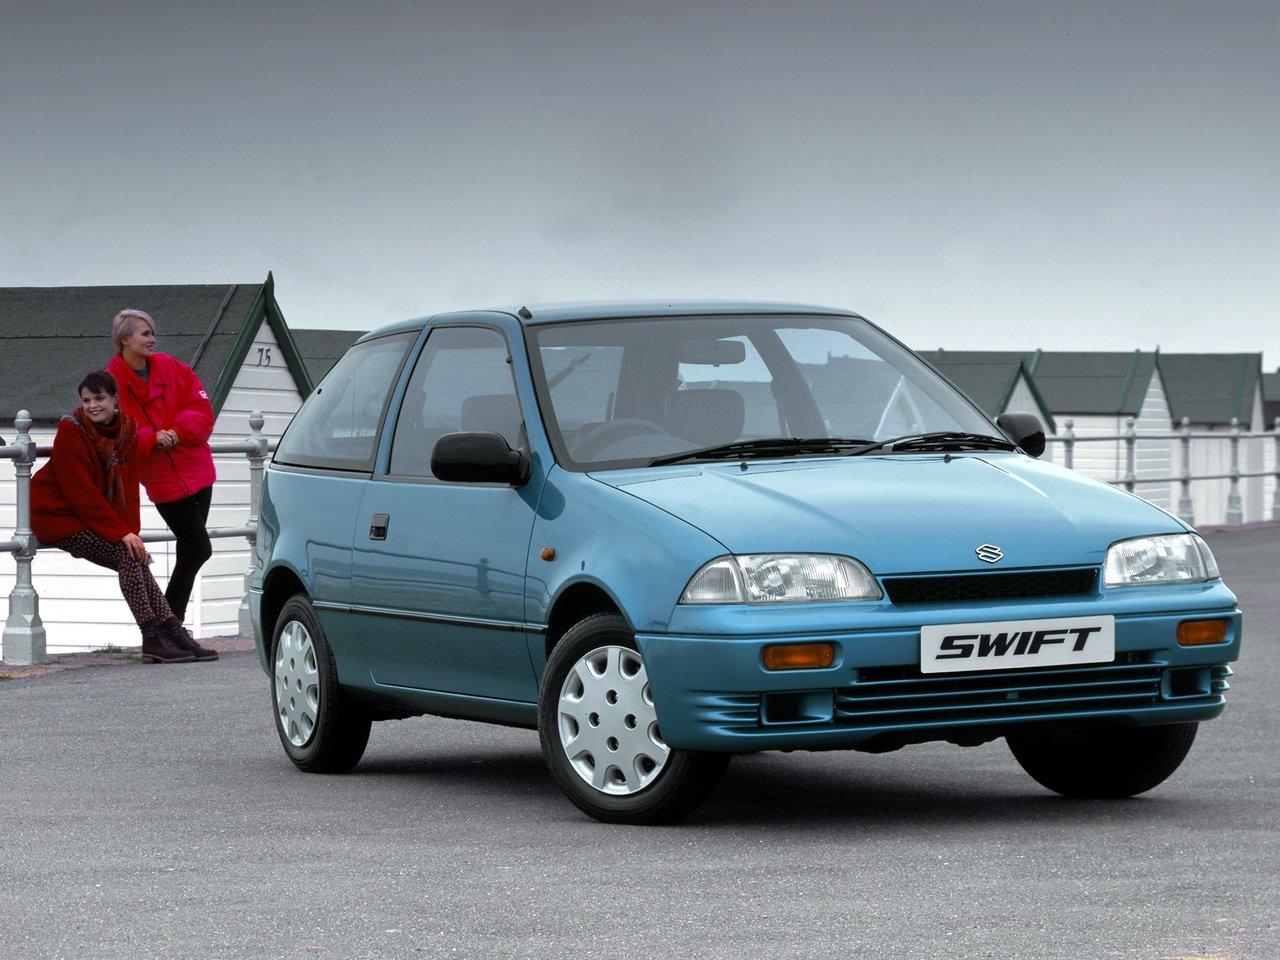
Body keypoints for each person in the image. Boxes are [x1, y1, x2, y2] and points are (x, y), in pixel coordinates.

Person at [31, 372, 217, 663]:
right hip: (56, 515)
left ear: (115, 400)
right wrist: (121, 534)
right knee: (126, 554)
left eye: (99, 398)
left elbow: (129, 488)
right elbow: (81, 493)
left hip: (90, 516)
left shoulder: (127, 431)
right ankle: (153, 637)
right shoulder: (72, 431)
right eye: (86, 400)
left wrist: (132, 534)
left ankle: (171, 632)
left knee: (134, 554)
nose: (92, 406)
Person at [106, 309, 217, 628]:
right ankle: (169, 625)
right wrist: (151, 438)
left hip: (199, 471)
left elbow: (201, 408)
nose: (152, 339)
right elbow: (116, 430)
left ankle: (168, 627)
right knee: (198, 549)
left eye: (152, 333)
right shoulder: (111, 382)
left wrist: (177, 432)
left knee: (190, 550)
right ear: (125, 340)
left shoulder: (171, 367)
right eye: (145, 334)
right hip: (163, 482)